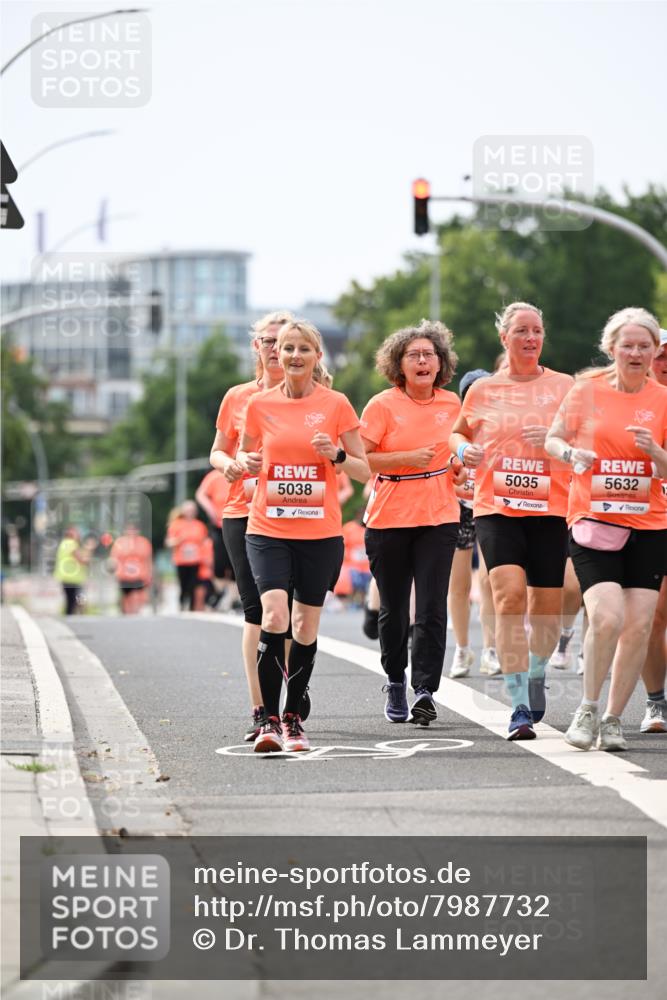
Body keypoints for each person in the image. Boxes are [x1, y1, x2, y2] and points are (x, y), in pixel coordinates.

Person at [237, 318, 369, 752]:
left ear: (317, 357)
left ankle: (294, 718)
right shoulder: (259, 405)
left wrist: (337, 454)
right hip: (268, 528)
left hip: (320, 533)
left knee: (305, 626)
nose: (292, 356)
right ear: (277, 354)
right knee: (274, 616)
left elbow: (364, 470)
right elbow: (244, 453)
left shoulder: (337, 405)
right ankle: (270, 722)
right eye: (287, 348)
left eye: (302, 349)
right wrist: (248, 465)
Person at [450, 302, 574, 740]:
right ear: (504, 338)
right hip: (497, 507)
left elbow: (586, 436)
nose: (530, 338)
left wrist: (556, 441)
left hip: (551, 508)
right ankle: (518, 700)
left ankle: (536, 671)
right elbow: (458, 432)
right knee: (507, 598)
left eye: (537, 330)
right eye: (521, 330)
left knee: (544, 606)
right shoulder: (483, 391)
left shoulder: (564, 386)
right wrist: (464, 452)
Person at [545, 307, 667, 751]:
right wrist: (569, 455)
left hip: (650, 525)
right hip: (594, 521)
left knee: (638, 625)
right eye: (627, 344)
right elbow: (553, 438)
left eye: (644, 346)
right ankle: (587, 707)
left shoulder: (663, 400)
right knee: (607, 616)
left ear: (655, 352)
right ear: (611, 348)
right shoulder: (586, 392)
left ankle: (614, 718)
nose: (635, 352)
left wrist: (656, 453)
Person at [360, 320, 464, 725]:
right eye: (414, 355)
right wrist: (405, 458)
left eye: (429, 355)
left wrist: (458, 468)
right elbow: (360, 459)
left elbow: (460, 454)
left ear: (440, 363)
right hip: (389, 516)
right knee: (394, 609)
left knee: (433, 608)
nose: (423, 361)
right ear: (399, 365)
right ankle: (395, 680)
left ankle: (425, 690)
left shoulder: (453, 405)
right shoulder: (382, 405)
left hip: (439, 515)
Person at [210, 311, 300, 742]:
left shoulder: (314, 397)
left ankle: (288, 688)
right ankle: (261, 707)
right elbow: (217, 452)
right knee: (257, 612)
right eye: (267, 340)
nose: (273, 348)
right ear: (257, 347)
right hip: (242, 511)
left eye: (281, 341)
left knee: (291, 610)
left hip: (294, 512)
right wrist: (231, 464)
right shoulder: (238, 397)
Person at [447, 369, 500, 678]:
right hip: (459, 508)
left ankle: (491, 650)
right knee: (459, 582)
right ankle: (462, 650)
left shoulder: (500, 425)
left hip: (490, 505)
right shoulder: (455, 427)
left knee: (490, 579)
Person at [639, 329, 667, 733]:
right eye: (659, 356)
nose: (664, 364)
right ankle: (656, 702)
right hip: (646, 519)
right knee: (653, 615)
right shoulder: (630, 404)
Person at [195, 469, 237, 609]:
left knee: (236, 563)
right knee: (219, 563)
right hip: (219, 525)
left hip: (238, 522)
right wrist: (209, 508)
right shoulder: (215, 476)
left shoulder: (243, 470)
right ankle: (220, 593)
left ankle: (233, 599)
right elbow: (200, 494)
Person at [165, 500, 208, 611]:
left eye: (192, 510)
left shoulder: (200, 526)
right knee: (183, 584)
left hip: (195, 560)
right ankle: (182, 604)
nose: (190, 513)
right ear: (183, 511)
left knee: (193, 584)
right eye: (188, 510)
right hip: (181, 560)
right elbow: (168, 542)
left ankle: (192, 607)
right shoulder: (176, 525)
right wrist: (178, 540)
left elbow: (204, 543)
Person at [109, 524, 152, 615]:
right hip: (124, 575)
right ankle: (127, 614)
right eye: (130, 530)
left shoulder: (144, 542)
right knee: (126, 596)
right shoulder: (120, 542)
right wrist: (113, 570)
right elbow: (114, 558)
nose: (132, 532)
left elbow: (148, 559)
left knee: (136, 595)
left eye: (134, 530)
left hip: (139, 574)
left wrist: (149, 574)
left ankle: (135, 613)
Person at [53, 526, 94, 615]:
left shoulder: (63, 543)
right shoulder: (71, 544)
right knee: (78, 600)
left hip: (66, 577)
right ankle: (78, 616)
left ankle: (73, 616)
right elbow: (82, 560)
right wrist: (89, 549)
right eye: (77, 533)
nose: (79, 535)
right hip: (73, 579)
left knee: (71, 601)